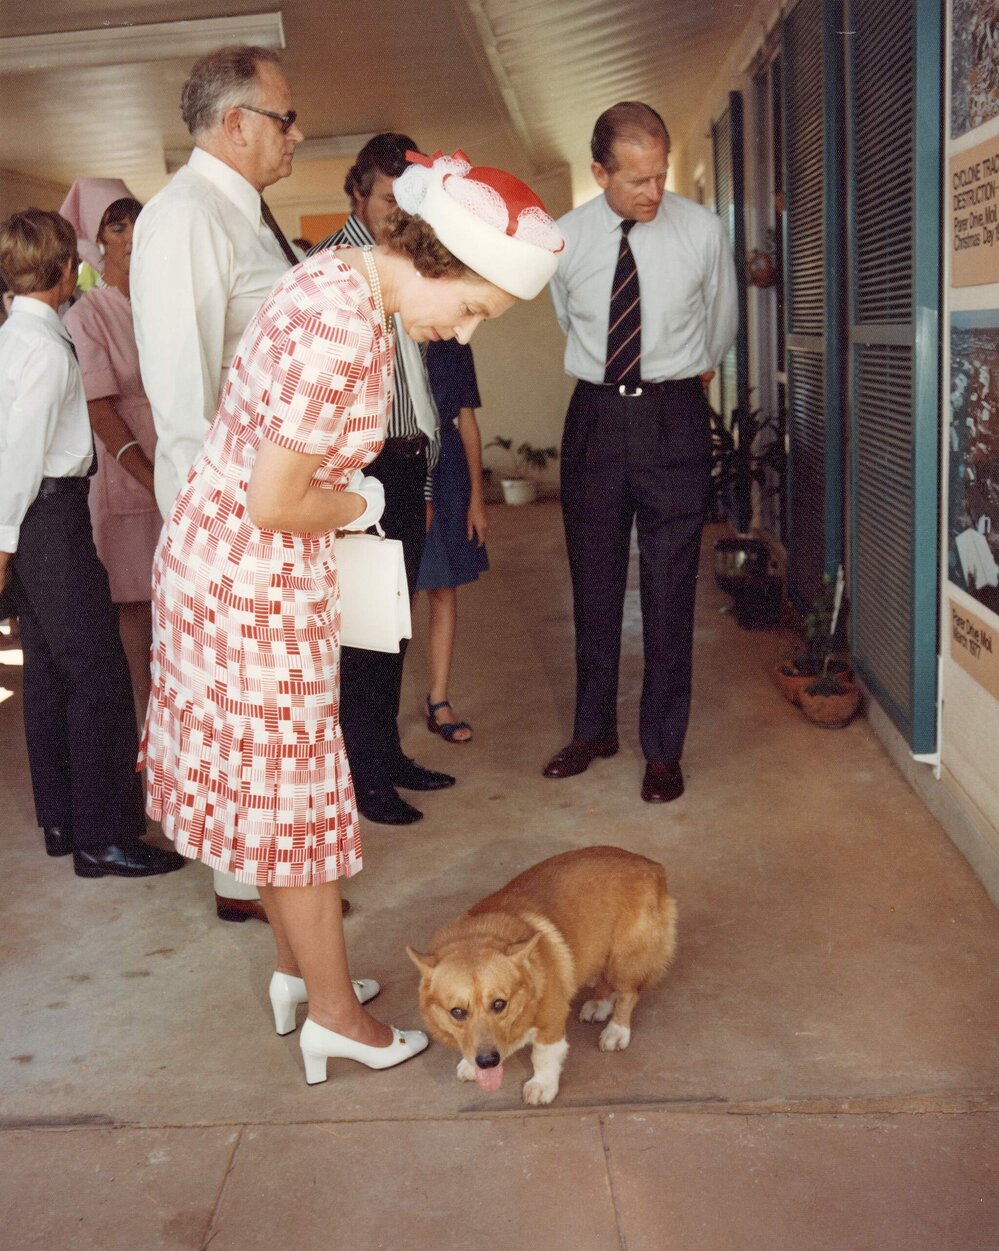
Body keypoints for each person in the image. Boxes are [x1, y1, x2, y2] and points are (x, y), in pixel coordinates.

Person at [140, 149, 564, 1083]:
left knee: (293, 789)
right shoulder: (340, 322)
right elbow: (277, 499)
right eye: (473, 308)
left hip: (238, 568)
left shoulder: (335, 278)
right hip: (254, 574)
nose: (460, 332)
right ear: (442, 260)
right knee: (294, 798)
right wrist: (362, 507)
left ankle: (302, 975)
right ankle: (334, 1015)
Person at [131, 44, 305, 924]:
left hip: (276, 512)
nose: (296, 135)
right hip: (239, 525)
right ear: (235, 124)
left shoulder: (243, 211)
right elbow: (182, 401)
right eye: (284, 119)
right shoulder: (186, 217)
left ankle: (276, 885)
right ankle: (258, 889)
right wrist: (232, 540)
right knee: (248, 724)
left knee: (276, 728)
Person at [546, 101, 737, 804]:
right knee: (592, 583)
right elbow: (569, 320)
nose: (653, 192)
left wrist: (680, 372)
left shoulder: (704, 231)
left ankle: (663, 748)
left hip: (673, 416)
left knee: (668, 588)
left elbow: (719, 324)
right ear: (599, 172)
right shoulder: (564, 240)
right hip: (595, 416)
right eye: (635, 180)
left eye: (659, 176)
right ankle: (592, 729)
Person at [0, 208, 184, 879]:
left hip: (30, 520)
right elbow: (17, 458)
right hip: (49, 517)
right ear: (58, 270)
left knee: (49, 670)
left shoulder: (10, 339)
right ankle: (105, 836)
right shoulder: (48, 349)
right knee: (100, 675)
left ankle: (63, 817)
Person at [310, 133, 450, 826]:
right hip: (358, 472)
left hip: (403, 465)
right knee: (361, 632)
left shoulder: (404, 263)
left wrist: (420, 484)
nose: (398, 212)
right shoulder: (333, 268)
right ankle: (362, 778)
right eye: (388, 198)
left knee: (392, 625)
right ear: (358, 193)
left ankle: (386, 754)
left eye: (407, 200)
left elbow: (414, 382)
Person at [61, 181, 160, 721]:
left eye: (135, 222)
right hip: (128, 467)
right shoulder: (87, 315)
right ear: (94, 244)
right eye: (116, 227)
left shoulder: (162, 300)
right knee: (136, 608)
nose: (130, 236)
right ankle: (146, 731)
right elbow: (100, 410)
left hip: (178, 460)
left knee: (183, 600)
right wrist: (149, 476)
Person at [415, 339, 488, 742]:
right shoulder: (384, 334)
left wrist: (476, 497)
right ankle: (375, 707)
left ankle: (438, 699)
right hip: (397, 466)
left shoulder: (455, 345)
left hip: (448, 474)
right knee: (396, 591)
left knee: (442, 588)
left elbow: (468, 422)